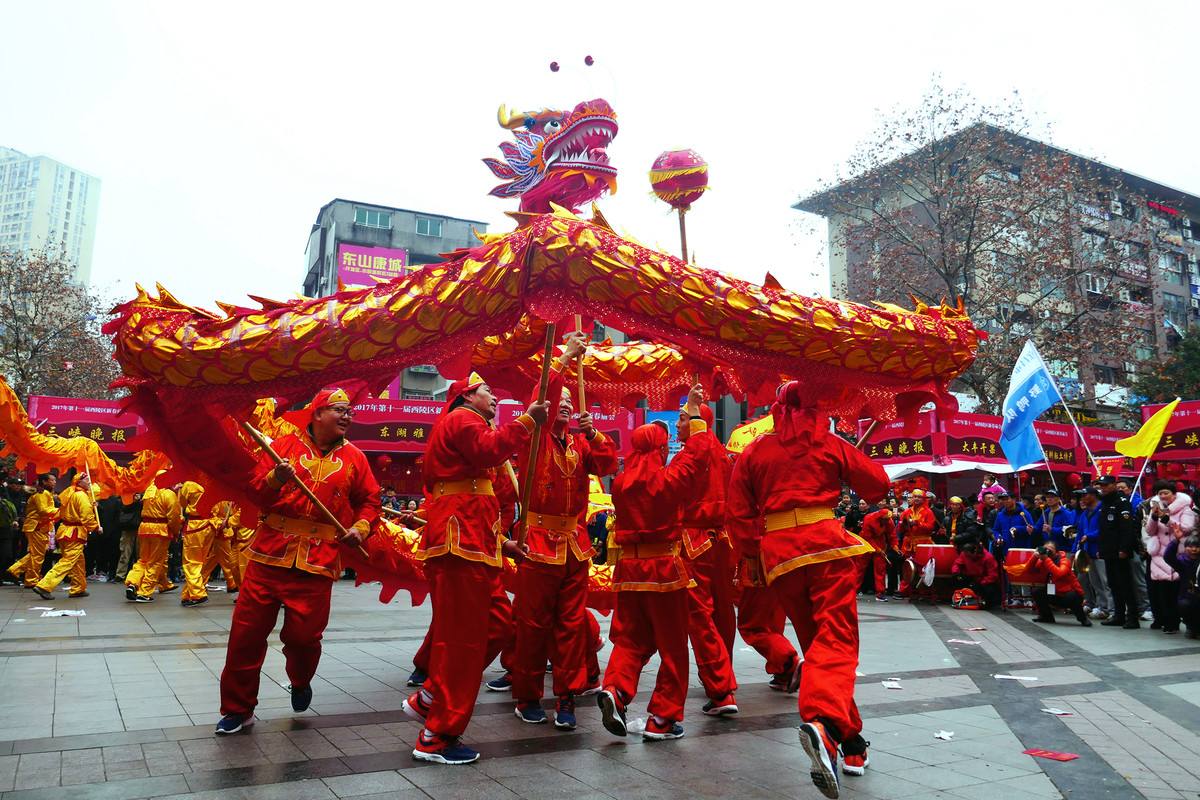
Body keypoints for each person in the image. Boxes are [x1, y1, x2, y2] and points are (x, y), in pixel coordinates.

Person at [727, 381, 889, 797]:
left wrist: (752, 557)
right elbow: (878, 485)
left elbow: (739, 513)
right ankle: (825, 723)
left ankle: (851, 742)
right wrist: (850, 457)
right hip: (824, 547)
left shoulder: (755, 451)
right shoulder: (829, 444)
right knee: (836, 641)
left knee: (819, 646)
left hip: (779, 557)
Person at [216, 387, 380, 735]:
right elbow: (255, 492)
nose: (347, 416)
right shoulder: (283, 448)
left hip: (317, 563)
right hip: (268, 556)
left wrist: (361, 527)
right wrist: (276, 478)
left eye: (349, 411)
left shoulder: (356, 459)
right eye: (339, 409)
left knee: (304, 639)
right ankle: (237, 709)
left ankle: (300, 679)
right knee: (245, 637)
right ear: (317, 414)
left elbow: (370, 501)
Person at [406, 373, 544, 765]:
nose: (494, 399)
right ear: (468, 395)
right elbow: (489, 451)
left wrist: (503, 543)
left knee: (498, 623)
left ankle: (432, 695)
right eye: (489, 391)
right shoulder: (464, 419)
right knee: (463, 640)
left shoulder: (467, 424)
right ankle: (438, 734)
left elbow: (478, 493)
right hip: (459, 543)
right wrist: (527, 421)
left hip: (476, 543)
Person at [510, 336, 618, 730]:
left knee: (571, 624)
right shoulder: (531, 437)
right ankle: (527, 695)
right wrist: (564, 358)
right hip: (537, 542)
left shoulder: (577, 443)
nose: (570, 406)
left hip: (575, 545)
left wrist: (594, 434)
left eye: (574, 403)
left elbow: (607, 464)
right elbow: (543, 392)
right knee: (533, 625)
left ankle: (568, 696)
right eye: (564, 402)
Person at [596, 387, 715, 743]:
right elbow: (699, 454)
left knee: (631, 639)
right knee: (673, 647)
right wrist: (694, 413)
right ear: (661, 449)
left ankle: (615, 690)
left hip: (628, 572)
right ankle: (662, 718)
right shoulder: (668, 479)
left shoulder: (620, 484)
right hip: (663, 569)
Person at [676, 402, 739, 717]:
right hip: (723, 540)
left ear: (699, 422)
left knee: (699, 614)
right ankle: (724, 673)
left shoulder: (691, 454)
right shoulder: (725, 455)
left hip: (695, 540)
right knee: (723, 612)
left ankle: (720, 687)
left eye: (683, 419)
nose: (677, 425)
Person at [33, 473, 99, 600]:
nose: (89, 482)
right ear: (79, 482)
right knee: (68, 561)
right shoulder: (81, 495)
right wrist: (95, 527)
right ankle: (44, 585)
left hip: (66, 531)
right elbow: (86, 516)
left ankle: (78, 588)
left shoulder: (69, 494)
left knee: (78, 561)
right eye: (87, 480)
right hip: (74, 532)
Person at [1144, 481, 1194, 634]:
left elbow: (1186, 528)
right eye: (1160, 493)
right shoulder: (1156, 508)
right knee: (1161, 592)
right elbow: (1150, 531)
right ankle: (1165, 620)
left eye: (1166, 492)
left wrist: (1167, 519)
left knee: (1176, 591)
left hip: (1176, 553)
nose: (1163, 496)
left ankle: (1175, 622)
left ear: (1174, 494)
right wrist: (1153, 516)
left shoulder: (1184, 509)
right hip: (1159, 555)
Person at [125, 481, 181, 602]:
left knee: (143, 560)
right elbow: (174, 517)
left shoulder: (150, 490)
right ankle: (144, 592)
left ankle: (133, 583)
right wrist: (176, 532)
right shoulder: (169, 494)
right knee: (155, 562)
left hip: (145, 528)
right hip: (159, 530)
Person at [1097, 475, 1139, 628]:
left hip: (1120, 551)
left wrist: (1124, 549)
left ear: (1113, 485)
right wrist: (1101, 549)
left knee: (1125, 584)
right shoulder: (1104, 503)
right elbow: (1104, 529)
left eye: (1106, 485)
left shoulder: (1121, 502)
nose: (1103, 488)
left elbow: (1126, 529)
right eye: (1101, 485)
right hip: (1108, 550)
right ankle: (1119, 615)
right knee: (1113, 584)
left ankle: (1133, 617)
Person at [1021, 542, 1091, 626]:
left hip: (1069, 594)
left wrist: (1046, 559)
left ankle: (1083, 618)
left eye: (1050, 549)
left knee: (1072, 596)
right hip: (1055, 593)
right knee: (1037, 592)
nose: (1047, 551)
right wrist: (1035, 556)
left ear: (1057, 551)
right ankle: (1046, 617)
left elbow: (1059, 573)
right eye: (1045, 548)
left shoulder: (1064, 561)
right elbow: (1027, 570)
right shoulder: (1042, 561)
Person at [8, 473, 57, 588]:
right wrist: (61, 511)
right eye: (52, 480)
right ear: (44, 482)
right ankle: (31, 580)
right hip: (36, 526)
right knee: (37, 555)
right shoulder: (41, 494)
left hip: (38, 526)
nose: (54, 482)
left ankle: (16, 570)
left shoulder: (44, 493)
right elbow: (43, 510)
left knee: (36, 554)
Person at [1073, 487, 1112, 620]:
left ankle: (1111, 609)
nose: (1082, 499)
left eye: (1085, 495)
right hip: (1088, 553)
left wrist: (1089, 536)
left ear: (1094, 496)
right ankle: (1102, 607)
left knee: (1106, 582)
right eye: (1081, 496)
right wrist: (1075, 550)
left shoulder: (1103, 509)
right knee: (1095, 582)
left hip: (1101, 551)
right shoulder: (1085, 513)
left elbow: (1105, 530)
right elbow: (1079, 533)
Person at [179, 480, 216, 607]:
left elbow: (182, 503)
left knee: (191, 562)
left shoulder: (189, 484)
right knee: (200, 562)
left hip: (195, 526)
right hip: (209, 525)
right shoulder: (212, 481)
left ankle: (198, 593)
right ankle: (188, 594)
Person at [202, 500, 243, 595]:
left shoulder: (232, 501)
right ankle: (231, 583)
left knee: (215, 559)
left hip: (226, 530)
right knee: (228, 559)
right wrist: (221, 523)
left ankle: (201, 581)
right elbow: (212, 515)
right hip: (221, 531)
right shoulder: (219, 500)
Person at [1163, 533, 1199, 638]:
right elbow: (1168, 557)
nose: (1194, 549)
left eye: (1197, 547)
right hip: (1187, 596)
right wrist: (1176, 540)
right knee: (1185, 605)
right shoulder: (1182, 562)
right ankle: (1191, 627)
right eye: (1190, 547)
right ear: (1185, 548)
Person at [859, 503, 895, 601]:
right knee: (860, 567)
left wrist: (894, 545)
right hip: (866, 542)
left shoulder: (889, 521)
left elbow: (892, 534)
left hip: (880, 541)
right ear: (880, 518)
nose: (887, 521)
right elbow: (867, 537)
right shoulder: (869, 518)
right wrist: (878, 549)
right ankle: (853, 589)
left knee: (880, 568)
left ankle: (880, 592)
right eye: (885, 519)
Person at [950, 542, 1001, 609]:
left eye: (968, 555)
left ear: (974, 552)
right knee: (955, 578)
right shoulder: (964, 554)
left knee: (989, 588)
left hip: (984, 581)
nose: (967, 556)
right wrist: (955, 572)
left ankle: (986, 602)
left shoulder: (988, 558)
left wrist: (980, 582)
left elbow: (993, 575)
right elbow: (957, 564)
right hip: (971, 577)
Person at [114, 493, 143, 581]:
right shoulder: (127, 495)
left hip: (140, 526)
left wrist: (139, 501)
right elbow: (124, 509)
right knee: (125, 551)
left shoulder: (146, 495)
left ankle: (139, 573)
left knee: (140, 553)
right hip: (129, 526)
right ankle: (120, 574)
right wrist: (134, 502)